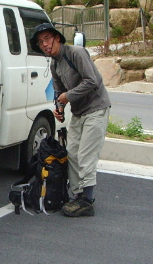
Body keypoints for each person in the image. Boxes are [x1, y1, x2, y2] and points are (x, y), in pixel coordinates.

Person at [30, 23, 110, 217]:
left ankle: (87, 201)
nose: (44, 45)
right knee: (72, 153)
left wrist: (68, 96)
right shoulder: (54, 63)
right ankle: (77, 196)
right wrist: (60, 108)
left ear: (57, 38)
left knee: (85, 156)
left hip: (96, 108)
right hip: (79, 111)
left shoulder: (76, 53)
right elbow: (58, 91)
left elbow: (92, 81)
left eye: (47, 39)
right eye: (40, 43)